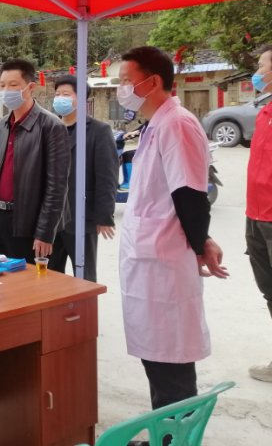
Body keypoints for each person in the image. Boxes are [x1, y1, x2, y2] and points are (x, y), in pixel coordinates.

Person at [116, 46, 228, 419]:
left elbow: (190, 195)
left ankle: (174, 438)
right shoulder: (156, 124)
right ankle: (164, 434)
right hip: (151, 262)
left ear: (153, 82)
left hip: (164, 264)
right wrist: (203, 240)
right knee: (157, 360)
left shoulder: (177, 124)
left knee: (171, 366)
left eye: (126, 80)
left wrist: (200, 243)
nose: (121, 89)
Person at [0, 60, 69, 264]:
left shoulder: (51, 126)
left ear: (30, 87)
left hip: (30, 223)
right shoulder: (1, 126)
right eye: (2, 85)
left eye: (13, 85)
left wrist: (45, 231)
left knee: (29, 282)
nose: (6, 91)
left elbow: (57, 186)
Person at [48, 75, 118, 281]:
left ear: (81, 99)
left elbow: (107, 176)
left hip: (82, 217)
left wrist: (104, 216)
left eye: (66, 94)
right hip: (51, 220)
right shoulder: (50, 128)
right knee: (50, 276)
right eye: (57, 94)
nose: (60, 98)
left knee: (84, 277)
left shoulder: (99, 131)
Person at [246, 44, 272, 382]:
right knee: (269, 291)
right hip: (256, 216)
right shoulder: (264, 112)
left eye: (263, 65)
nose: (258, 72)